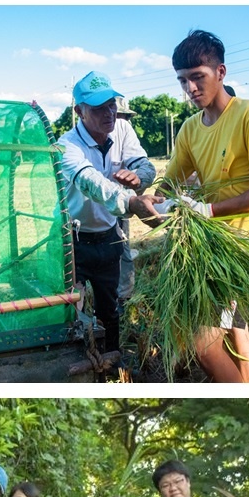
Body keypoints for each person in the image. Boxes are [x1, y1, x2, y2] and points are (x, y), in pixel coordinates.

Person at [160, 30, 249, 382]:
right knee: (237, 333)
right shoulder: (189, 129)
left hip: (244, 254)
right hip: (212, 252)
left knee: (198, 341)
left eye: (197, 77)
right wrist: (152, 201)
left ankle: (240, 403)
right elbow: (169, 183)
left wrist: (210, 211)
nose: (190, 89)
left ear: (221, 72)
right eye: (182, 81)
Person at [57, 71, 162, 355]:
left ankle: (112, 361)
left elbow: (146, 167)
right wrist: (130, 202)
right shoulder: (67, 146)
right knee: (70, 308)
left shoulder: (122, 130)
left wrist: (138, 179)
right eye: (99, 108)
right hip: (72, 242)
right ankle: (76, 359)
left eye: (112, 104)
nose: (109, 113)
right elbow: (91, 183)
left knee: (110, 309)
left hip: (109, 239)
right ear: (79, 111)